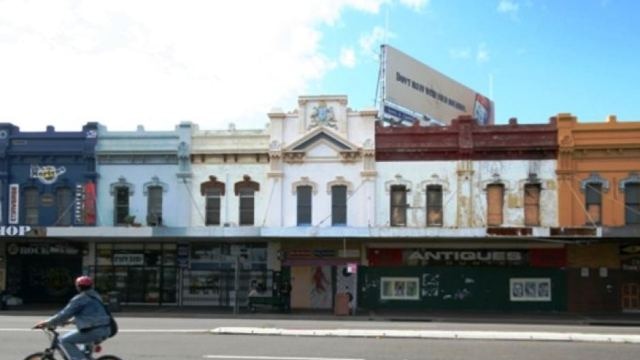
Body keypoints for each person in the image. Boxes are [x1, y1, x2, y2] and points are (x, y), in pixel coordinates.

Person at [34, 276, 112, 360]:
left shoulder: (80, 299)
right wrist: (69, 322)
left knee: (64, 340)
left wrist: (46, 323)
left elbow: (64, 314)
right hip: (105, 328)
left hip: (93, 330)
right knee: (84, 352)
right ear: (92, 286)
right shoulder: (96, 296)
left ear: (77, 287)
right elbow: (90, 316)